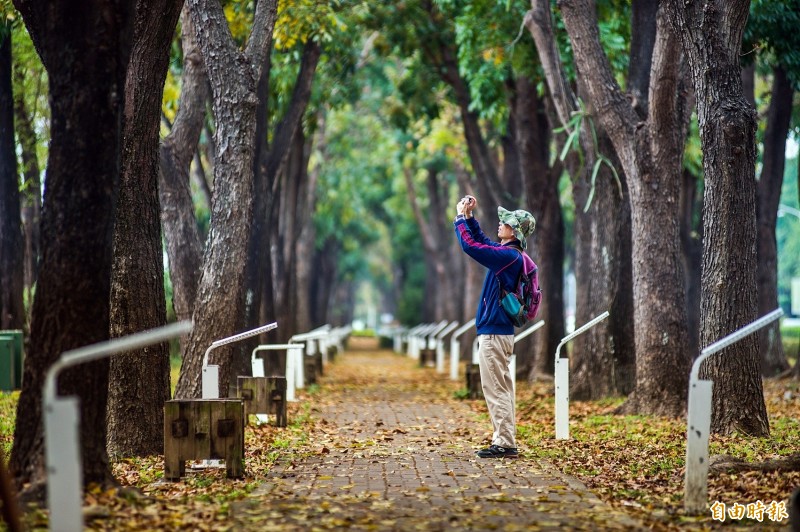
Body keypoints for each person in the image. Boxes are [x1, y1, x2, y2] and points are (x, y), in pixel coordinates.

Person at [453, 194, 536, 459]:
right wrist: (469, 218)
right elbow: (484, 243)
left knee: (496, 388)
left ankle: (504, 443)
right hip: (498, 332)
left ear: (516, 231)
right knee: (502, 387)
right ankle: (504, 439)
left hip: (494, 333)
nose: (500, 224)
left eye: (506, 222)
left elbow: (472, 247)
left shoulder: (509, 257)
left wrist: (458, 220)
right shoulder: (509, 255)